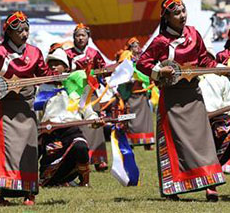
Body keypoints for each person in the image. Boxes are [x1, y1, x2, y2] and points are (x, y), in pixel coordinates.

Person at [136, 0, 226, 201]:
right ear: (166, 17)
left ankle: (210, 185)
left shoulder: (194, 34)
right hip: (172, 99)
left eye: (183, 10)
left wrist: (224, 69)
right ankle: (173, 187)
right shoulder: (160, 41)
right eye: (177, 13)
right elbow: (142, 63)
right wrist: (159, 71)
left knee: (203, 141)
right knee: (174, 143)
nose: (182, 15)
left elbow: (204, 60)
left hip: (193, 94)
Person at [0, 11, 53, 206]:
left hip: (27, 108)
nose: (25, 34)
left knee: (28, 150)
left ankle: (29, 194)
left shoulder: (35, 53)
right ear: (9, 32)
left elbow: (46, 74)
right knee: (3, 151)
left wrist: (61, 73)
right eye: (20, 31)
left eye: (27, 30)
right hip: (4, 108)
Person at [38, 47, 97, 187]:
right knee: (47, 179)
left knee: (80, 146)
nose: (53, 66)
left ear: (65, 67)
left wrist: (95, 119)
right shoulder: (42, 87)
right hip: (50, 132)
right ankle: (60, 178)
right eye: (50, 64)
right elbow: (37, 114)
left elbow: (87, 108)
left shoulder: (76, 86)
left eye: (57, 63)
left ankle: (84, 179)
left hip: (71, 130)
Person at [65, 23, 109, 171]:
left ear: (88, 37)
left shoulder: (94, 53)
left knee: (95, 123)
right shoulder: (68, 54)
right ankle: (80, 158)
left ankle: (99, 159)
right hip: (74, 95)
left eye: (83, 35)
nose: (80, 38)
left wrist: (100, 77)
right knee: (78, 125)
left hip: (91, 92)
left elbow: (101, 68)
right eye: (77, 35)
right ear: (73, 38)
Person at [115, 37, 155, 149]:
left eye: (138, 45)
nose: (137, 47)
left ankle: (147, 141)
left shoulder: (143, 58)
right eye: (134, 45)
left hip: (142, 93)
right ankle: (130, 141)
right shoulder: (127, 57)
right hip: (130, 93)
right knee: (130, 118)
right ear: (130, 48)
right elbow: (123, 70)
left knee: (146, 118)